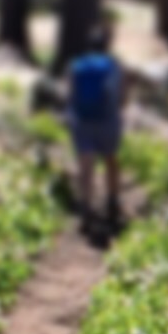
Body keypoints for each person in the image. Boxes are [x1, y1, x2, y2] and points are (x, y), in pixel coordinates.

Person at [68, 23, 124, 230]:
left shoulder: (76, 65)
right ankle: (112, 201)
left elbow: (71, 95)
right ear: (107, 45)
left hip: (82, 120)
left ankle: (86, 207)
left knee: (85, 165)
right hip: (107, 120)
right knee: (111, 159)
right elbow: (121, 96)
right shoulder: (113, 65)